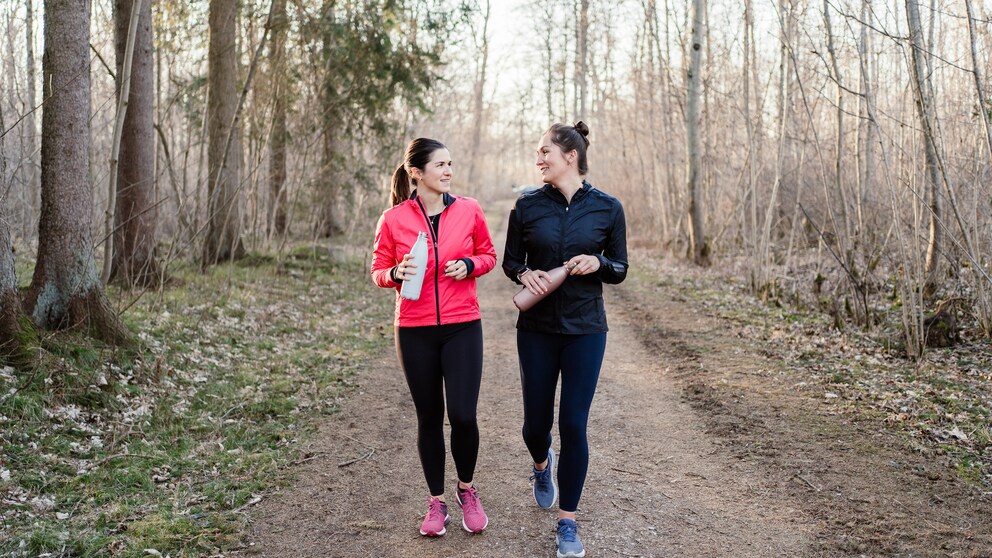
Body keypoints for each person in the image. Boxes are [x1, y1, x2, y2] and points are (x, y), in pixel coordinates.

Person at [502, 121, 628, 557]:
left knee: (573, 423)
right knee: (535, 426)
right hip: (536, 330)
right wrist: (524, 273)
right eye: (537, 153)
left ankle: (568, 522)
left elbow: (621, 267)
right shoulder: (527, 206)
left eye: (544, 153)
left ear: (570, 156)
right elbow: (511, 261)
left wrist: (598, 262)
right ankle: (542, 464)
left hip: (586, 330)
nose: (538, 159)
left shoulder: (607, 208)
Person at [370, 138, 497, 536]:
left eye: (450, 164)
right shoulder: (393, 219)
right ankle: (435, 503)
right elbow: (378, 270)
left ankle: (467, 490)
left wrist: (469, 264)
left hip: (462, 326)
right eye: (440, 165)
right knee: (429, 417)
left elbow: (490, 255)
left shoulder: (470, 210)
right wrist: (395, 274)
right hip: (414, 329)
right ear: (417, 173)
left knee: (462, 415)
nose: (448, 171)